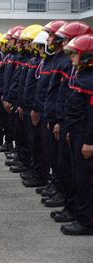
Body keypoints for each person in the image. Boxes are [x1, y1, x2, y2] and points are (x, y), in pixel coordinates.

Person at [62, 34, 93, 235]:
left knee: (85, 180)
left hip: (85, 137)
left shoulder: (90, 81)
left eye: (74, 54)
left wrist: (89, 142)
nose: (71, 58)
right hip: (76, 134)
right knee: (76, 177)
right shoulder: (82, 77)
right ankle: (80, 215)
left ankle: (86, 222)